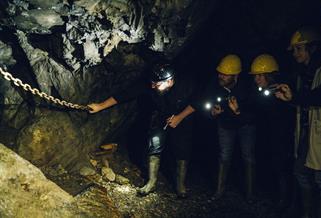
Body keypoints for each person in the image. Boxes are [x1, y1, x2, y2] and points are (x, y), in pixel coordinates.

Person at [88, 63, 197, 198]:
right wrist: (100, 106)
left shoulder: (185, 85)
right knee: (154, 146)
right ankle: (151, 182)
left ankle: (180, 186)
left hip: (182, 119)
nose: (152, 86)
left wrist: (179, 117)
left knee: (182, 149)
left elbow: (197, 102)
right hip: (161, 117)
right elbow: (123, 95)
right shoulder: (149, 85)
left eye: (156, 84)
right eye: (152, 83)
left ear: (169, 82)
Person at [276, 27, 321, 218]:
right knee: (301, 173)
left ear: (313, 48)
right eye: (294, 49)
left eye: (300, 49)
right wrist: (289, 98)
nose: (296, 53)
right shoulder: (302, 73)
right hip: (307, 132)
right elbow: (304, 100)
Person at [202, 54, 256, 201]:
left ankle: (250, 194)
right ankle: (219, 191)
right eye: (220, 72)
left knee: (248, 157)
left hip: (245, 125)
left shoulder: (247, 87)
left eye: (225, 74)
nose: (221, 76)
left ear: (236, 76)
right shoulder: (214, 84)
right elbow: (204, 105)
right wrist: (212, 113)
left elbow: (255, 112)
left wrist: (238, 112)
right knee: (224, 156)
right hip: (225, 124)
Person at [249, 54, 294, 210]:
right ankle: (275, 197)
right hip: (267, 135)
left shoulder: (280, 91)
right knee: (272, 166)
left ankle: (285, 201)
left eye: (260, 75)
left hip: (281, 137)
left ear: (269, 75)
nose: (257, 79)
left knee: (282, 168)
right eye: (256, 76)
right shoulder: (261, 92)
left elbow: (285, 116)